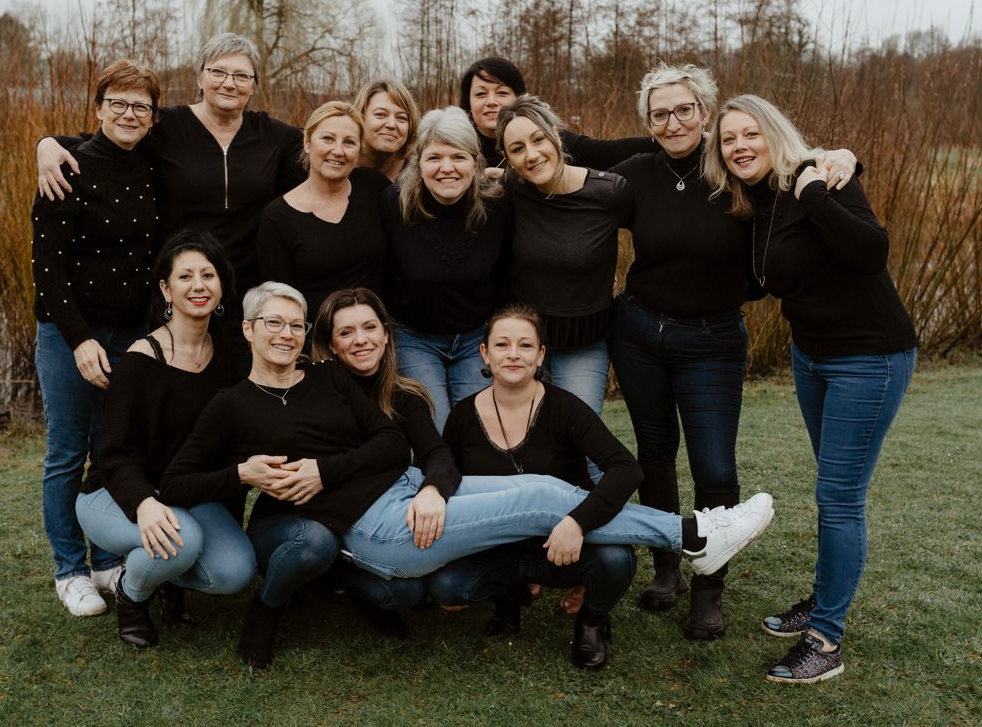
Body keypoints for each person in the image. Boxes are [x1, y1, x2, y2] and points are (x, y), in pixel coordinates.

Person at [158, 281, 776, 669]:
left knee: (556, 494)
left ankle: (693, 533)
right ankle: (692, 535)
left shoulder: (331, 383)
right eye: (276, 325)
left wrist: (345, 472)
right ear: (251, 331)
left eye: (294, 324)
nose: (287, 334)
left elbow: (391, 440)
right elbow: (177, 481)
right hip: (373, 530)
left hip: (398, 497)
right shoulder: (240, 400)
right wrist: (242, 474)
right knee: (540, 495)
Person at [607, 64, 858, 640]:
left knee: (715, 465)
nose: (673, 122)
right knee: (654, 453)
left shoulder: (736, 171)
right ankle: (667, 565)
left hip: (713, 340)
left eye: (685, 110)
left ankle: (709, 586)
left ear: (705, 113)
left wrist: (841, 156)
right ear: (648, 122)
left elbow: (790, 159)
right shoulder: (635, 176)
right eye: (660, 113)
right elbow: (570, 185)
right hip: (640, 332)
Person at [704, 94, 917, 684]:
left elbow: (871, 253)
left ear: (774, 134)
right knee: (833, 489)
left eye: (751, 134)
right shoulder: (759, 201)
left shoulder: (818, 179)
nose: (740, 146)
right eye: (729, 140)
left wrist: (817, 189)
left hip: (868, 358)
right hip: (812, 356)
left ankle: (826, 641)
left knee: (840, 497)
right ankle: (821, 603)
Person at [36, 33, 305, 368]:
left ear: (254, 85)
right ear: (201, 78)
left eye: (241, 76)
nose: (228, 83)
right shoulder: (166, 126)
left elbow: (328, 162)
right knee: (174, 402)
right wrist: (47, 143)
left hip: (243, 298)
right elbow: (105, 141)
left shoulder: (277, 137)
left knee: (234, 400)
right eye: (218, 72)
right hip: (175, 300)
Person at [431, 305, 643, 669]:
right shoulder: (463, 417)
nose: (513, 354)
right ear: (485, 353)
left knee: (615, 559)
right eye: (502, 344)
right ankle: (508, 600)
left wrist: (577, 522)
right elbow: (447, 474)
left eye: (525, 345)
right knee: (447, 583)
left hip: (561, 545)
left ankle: (592, 620)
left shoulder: (565, 408)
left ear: (540, 355)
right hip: (497, 548)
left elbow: (626, 468)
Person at [76, 231, 257, 647]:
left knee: (236, 571)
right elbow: (115, 456)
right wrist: (144, 504)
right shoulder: (140, 361)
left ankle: (168, 579)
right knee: (183, 541)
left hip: (184, 492)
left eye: (209, 275)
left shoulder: (229, 357)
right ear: (166, 289)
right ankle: (132, 594)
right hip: (115, 491)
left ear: (222, 285)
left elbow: (225, 450)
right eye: (186, 276)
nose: (199, 286)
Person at [31, 59, 161, 617]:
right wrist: (82, 340)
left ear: (154, 116)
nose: (129, 114)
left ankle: (108, 557)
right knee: (66, 451)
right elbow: (48, 269)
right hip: (69, 333)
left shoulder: (153, 167)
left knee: (114, 449)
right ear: (99, 108)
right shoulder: (67, 169)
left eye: (141, 106)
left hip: (132, 333)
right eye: (118, 104)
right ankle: (70, 568)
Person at [312, 287, 463, 636]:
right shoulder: (316, 392)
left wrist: (432, 488)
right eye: (346, 332)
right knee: (403, 589)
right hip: (334, 518)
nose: (361, 340)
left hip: (387, 514)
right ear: (331, 344)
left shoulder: (404, 396)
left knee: (409, 589)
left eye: (369, 328)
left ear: (385, 333)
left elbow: (437, 453)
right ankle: (337, 577)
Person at [496, 94, 629, 425]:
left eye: (538, 138)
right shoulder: (511, 191)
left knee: (580, 436)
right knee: (524, 439)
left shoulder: (609, 192)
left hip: (584, 340)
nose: (532, 154)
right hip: (523, 342)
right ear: (508, 159)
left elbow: (661, 237)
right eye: (517, 149)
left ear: (556, 134)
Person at [380, 106, 512, 431]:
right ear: (419, 163)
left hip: (475, 337)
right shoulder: (394, 204)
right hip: (415, 337)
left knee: (477, 431)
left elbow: (509, 275)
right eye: (435, 157)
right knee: (435, 430)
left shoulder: (498, 204)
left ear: (476, 162)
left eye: (458, 157)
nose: (446, 168)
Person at [257, 101, 390, 323]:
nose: (337, 151)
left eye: (349, 142)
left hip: (374, 336)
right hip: (316, 342)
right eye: (327, 139)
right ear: (307, 142)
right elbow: (280, 302)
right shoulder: (277, 217)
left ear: (359, 151)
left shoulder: (375, 188)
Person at [458, 56, 655, 171]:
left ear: (519, 99)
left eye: (502, 93)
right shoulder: (455, 147)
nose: (491, 102)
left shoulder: (547, 140)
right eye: (481, 94)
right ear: (469, 102)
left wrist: (670, 138)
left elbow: (608, 152)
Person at [352, 78, 420, 182]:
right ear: (360, 117)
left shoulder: (418, 174)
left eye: (401, 118)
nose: (392, 124)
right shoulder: (338, 162)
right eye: (380, 115)